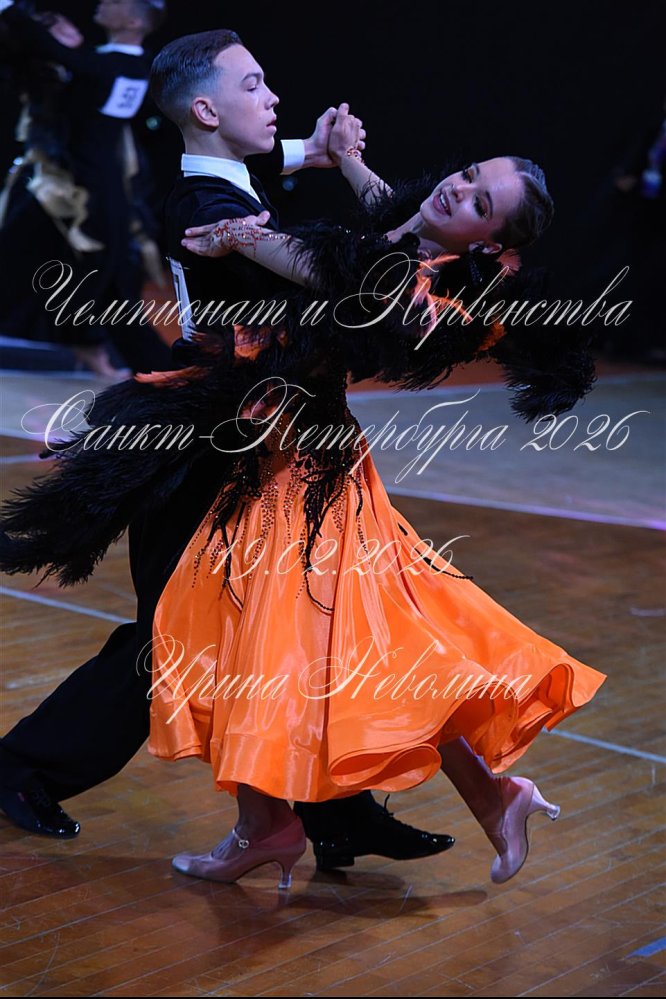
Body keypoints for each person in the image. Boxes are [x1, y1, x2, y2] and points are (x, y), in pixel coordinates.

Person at [0, 33, 604, 888]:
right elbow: (368, 223)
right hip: (252, 441)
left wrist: (268, 215)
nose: (273, 96)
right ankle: (334, 815)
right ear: (207, 109)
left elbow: (336, 263)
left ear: (488, 240)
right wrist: (337, 161)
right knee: (268, 633)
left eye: (479, 198)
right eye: (254, 84)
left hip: (290, 456)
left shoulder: (402, 279)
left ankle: (299, 819)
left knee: (273, 633)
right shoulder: (222, 198)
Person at [0, 0, 171, 377]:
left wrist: (9, 8)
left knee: (111, 282)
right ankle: (98, 349)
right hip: (67, 188)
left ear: (132, 21)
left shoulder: (123, 67)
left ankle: (139, 362)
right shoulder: (111, 62)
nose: (103, 2)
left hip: (90, 195)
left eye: (116, 1)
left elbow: (65, 57)